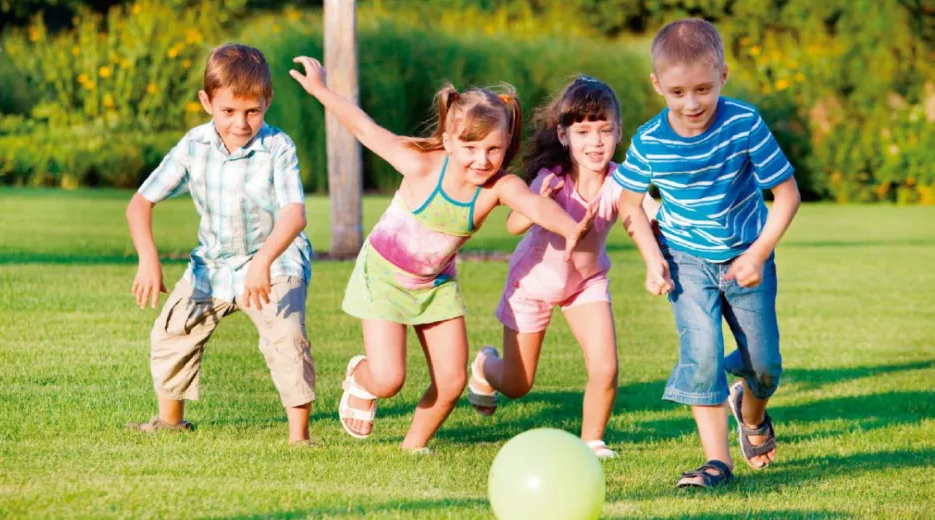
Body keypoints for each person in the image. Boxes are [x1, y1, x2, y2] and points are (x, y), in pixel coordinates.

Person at [289, 56, 594, 453]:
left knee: (451, 381)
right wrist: (321, 90)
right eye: (470, 147)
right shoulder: (419, 164)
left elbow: (533, 204)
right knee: (389, 379)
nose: (482, 160)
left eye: (493, 149)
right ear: (449, 141)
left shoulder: (497, 187)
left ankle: (412, 447)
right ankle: (363, 378)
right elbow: (365, 128)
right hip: (383, 277)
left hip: (435, 285)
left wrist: (571, 228)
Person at [614, 19, 801, 487]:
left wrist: (758, 254)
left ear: (723, 75)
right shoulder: (650, 141)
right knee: (701, 353)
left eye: (703, 88)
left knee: (765, 365)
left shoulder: (744, 124)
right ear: (657, 85)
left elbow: (788, 193)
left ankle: (751, 412)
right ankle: (717, 462)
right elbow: (628, 202)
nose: (691, 103)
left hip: (745, 257)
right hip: (686, 261)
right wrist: (653, 258)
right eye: (677, 92)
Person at [126, 44, 316, 446]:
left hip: (275, 261)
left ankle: (300, 438)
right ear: (207, 101)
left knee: (286, 337)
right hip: (212, 266)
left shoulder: (278, 148)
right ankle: (170, 422)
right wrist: (148, 258)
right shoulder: (194, 146)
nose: (241, 123)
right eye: (228, 111)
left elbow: (294, 214)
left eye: (253, 111)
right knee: (173, 330)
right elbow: (140, 203)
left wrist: (264, 260)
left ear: (268, 102)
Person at [468, 76, 659, 459]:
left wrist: (664, 245)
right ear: (563, 135)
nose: (596, 142)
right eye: (584, 131)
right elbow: (514, 225)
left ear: (618, 131)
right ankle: (485, 366)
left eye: (605, 130)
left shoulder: (621, 180)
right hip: (532, 283)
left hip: (585, 284)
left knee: (605, 367)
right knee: (518, 384)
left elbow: (647, 214)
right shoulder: (550, 179)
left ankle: (592, 441)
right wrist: (536, 200)